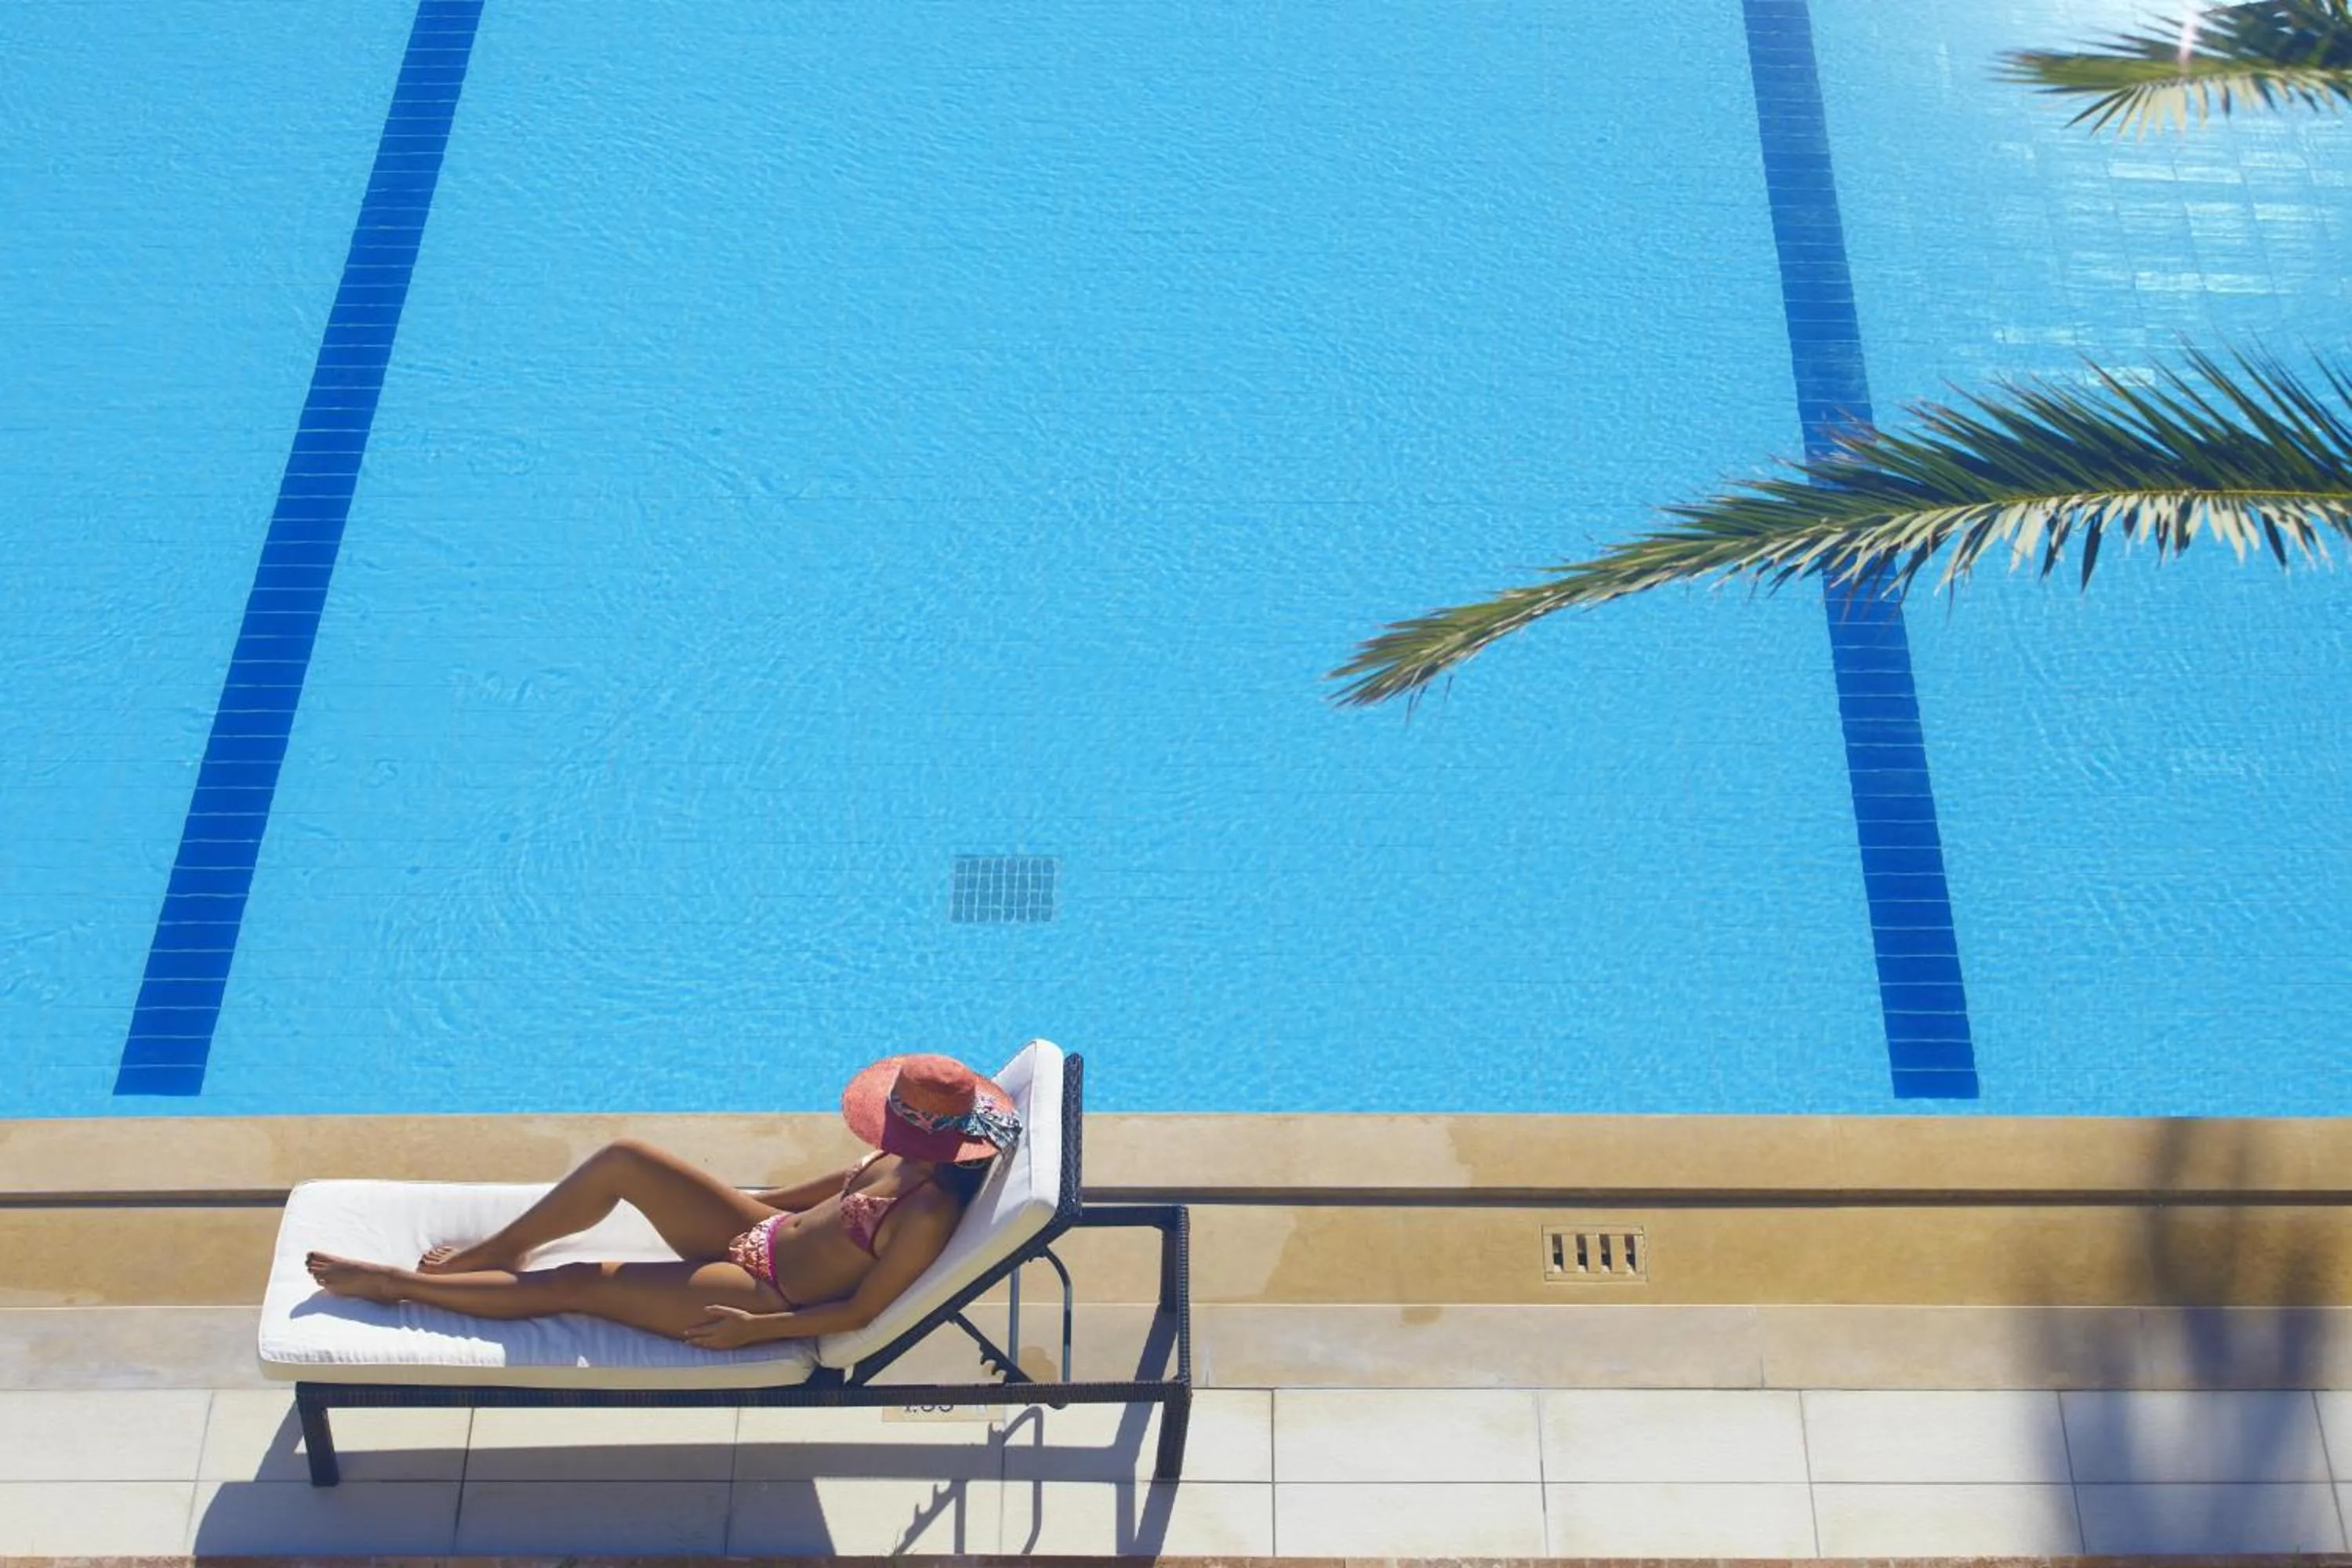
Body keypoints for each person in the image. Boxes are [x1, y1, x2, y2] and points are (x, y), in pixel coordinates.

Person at [304, 1054, 1019, 1350]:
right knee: (629, 1161)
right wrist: (738, 1207)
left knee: (581, 1283)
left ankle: (401, 1287)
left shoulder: (928, 1214)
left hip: (765, 1290)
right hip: (761, 1236)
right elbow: (833, 1192)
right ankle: (495, 1255)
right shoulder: (917, 1150)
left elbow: (864, 1312)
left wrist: (754, 1332)